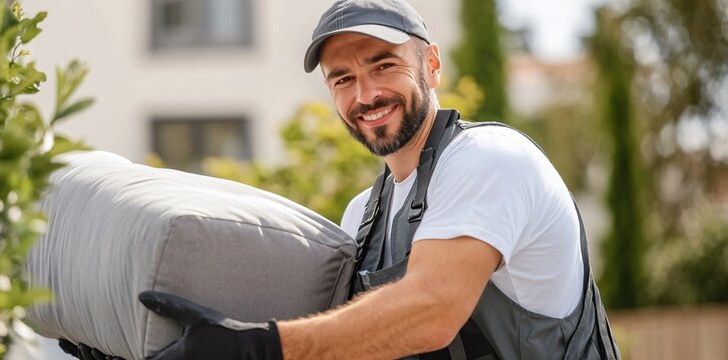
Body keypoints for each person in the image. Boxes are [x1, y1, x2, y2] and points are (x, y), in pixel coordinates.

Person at [61, 0, 621, 359]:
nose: (366, 95)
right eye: (343, 79)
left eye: (383, 65)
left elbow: (431, 312)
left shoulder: (490, 161)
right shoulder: (364, 215)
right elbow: (347, 342)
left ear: (431, 64)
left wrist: (258, 349)